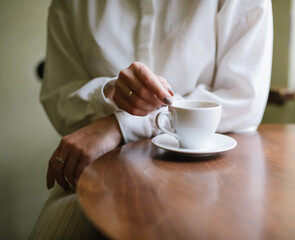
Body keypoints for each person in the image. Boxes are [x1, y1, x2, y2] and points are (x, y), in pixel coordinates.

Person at [30, 0, 273, 238]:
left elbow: (245, 99)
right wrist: (108, 93)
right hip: (99, 172)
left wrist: (119, 124)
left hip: (211, 175)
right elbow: (57, 97)